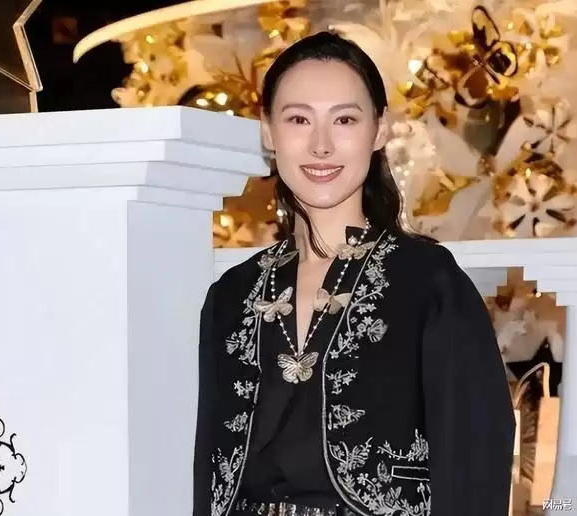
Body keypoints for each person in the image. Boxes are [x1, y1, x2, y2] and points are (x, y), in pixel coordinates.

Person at [193, 31, 515, 516]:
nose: (321, 145)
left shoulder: (427, 283)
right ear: (268, 133)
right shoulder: (232, 296)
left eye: (345, 119)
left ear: (379, 130)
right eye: (298, 119)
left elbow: (475, 459)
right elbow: (211, 468)